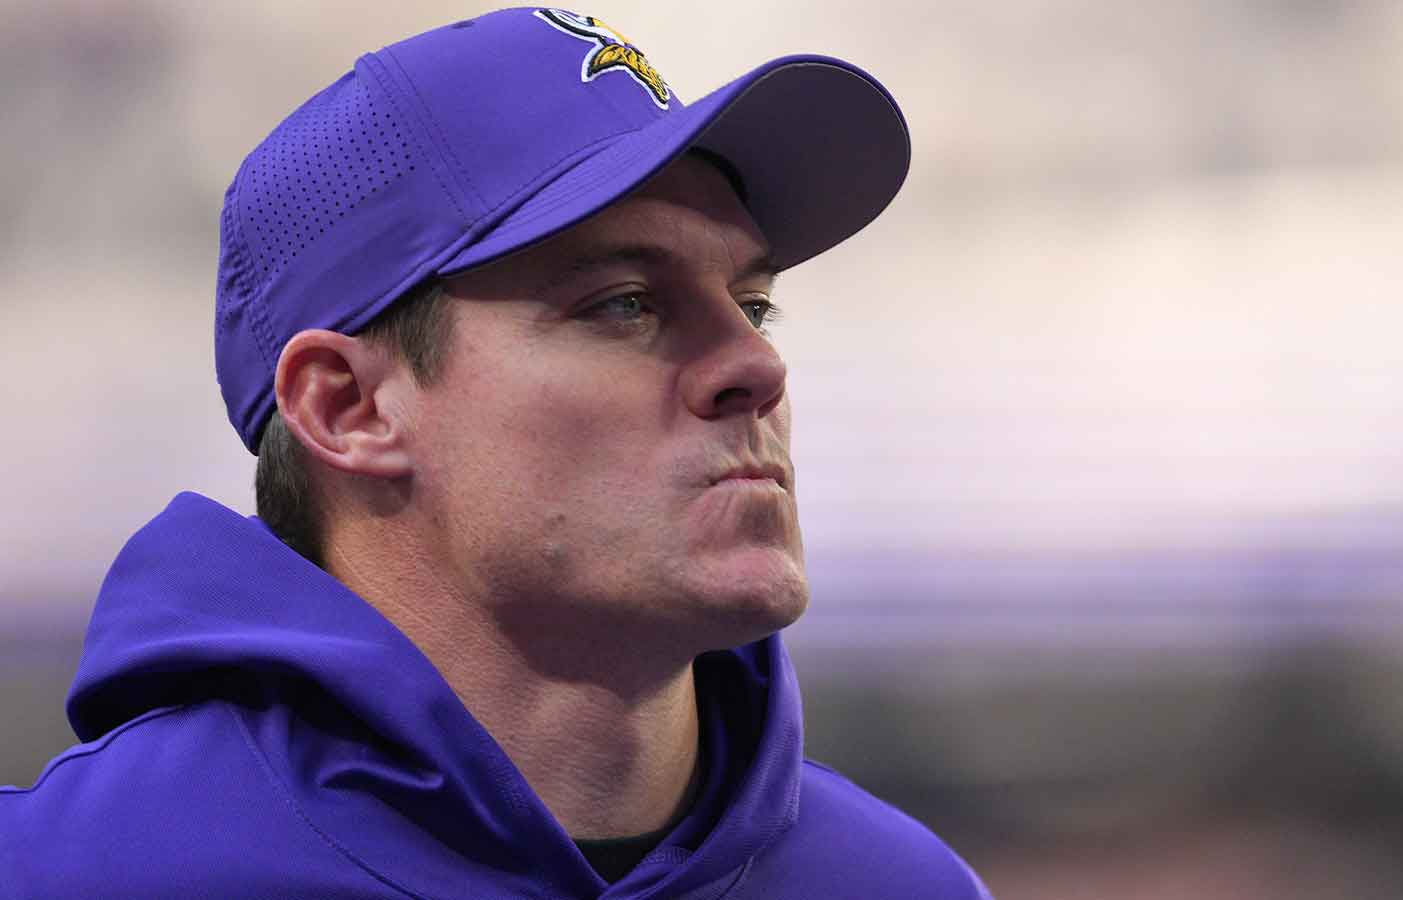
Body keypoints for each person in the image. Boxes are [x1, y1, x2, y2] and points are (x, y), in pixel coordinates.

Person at [0, 8, 991, 899]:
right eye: (623, 303)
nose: (753, 365)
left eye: (755, 303)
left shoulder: (902, 882)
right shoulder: (64, 875)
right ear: (348, 408)